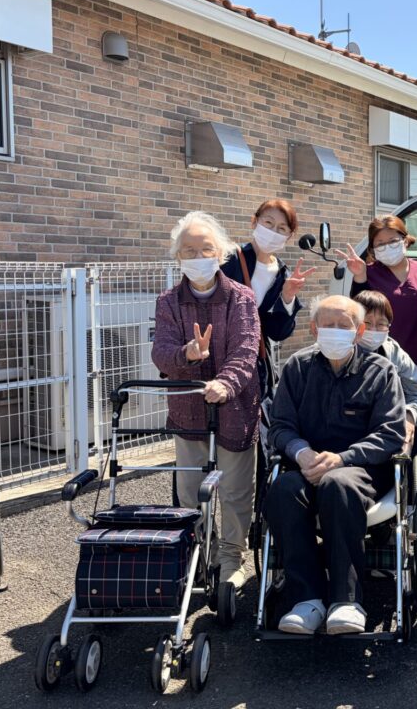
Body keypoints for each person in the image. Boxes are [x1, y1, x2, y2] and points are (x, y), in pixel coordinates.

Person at [264, 295, 406, 635]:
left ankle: (347, 599)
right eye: (328, 325)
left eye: (344, 325)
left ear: (359, 331)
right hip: (307, 464)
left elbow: (391, 433)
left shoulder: (381, 371)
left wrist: (343, 458)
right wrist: (301, 452)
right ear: (314, 329)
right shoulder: (297, 368)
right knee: (283, 489)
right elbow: (280, 426)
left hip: (362, 469)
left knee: (337, 484)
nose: (335, 331)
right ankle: (306, 600)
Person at [152, 211, 262, 590]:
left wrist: (225, 383)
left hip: (235, 407)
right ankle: (202, 551)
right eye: (189, 250)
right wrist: (187, 354)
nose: (198, 256)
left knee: (235, 491)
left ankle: (231, 556)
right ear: (177, 256)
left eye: (206, 249)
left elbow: (246, 350)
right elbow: (161, 352)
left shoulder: (241, 298)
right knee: (190, 492)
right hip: (187, 410)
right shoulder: (168, 302)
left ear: (221, 253)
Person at [221, 198, 314, 399]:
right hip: (221, 357)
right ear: (254, 222)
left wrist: (287, 296)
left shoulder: (282, 273)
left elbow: (278, 333)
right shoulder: (229, 259)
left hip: (257, 365)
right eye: (268, 223)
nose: (273, 232)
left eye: (282, 228)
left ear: (289, 236)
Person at [337, 215, 417, 373]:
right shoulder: (368, 272)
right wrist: (359, 275)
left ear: (405, 241)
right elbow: (357, 314)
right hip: (378, 361)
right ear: (373, 249)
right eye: (380, 244)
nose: (387, 247)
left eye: (393, 241)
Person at [353, 290, 417, 454]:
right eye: (367, 322)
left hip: (386, 427)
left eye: (381, 324)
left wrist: (409, 417)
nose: (373, 329)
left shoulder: (394, 352)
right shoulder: (340, 351)